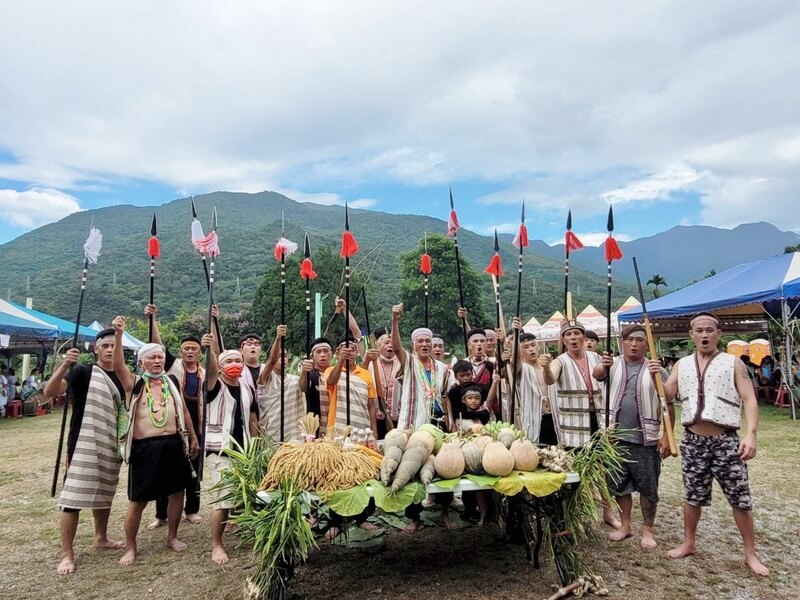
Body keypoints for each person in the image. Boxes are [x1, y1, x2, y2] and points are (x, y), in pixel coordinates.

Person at [663, 313, 769, 576]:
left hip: (725, 442)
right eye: (699, 330)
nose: (704, 335)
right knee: (692, 496)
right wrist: (656, 375)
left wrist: (751, 434)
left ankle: (750, 554)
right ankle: (688, 543)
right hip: (693, 441)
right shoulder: (681, 364)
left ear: (718, 333)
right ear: (691, 334)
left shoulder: (733, 363)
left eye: (710, 330)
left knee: (740, 498)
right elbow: (667, 394)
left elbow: (750, 400)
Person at [113, 319, 200, 566]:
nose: (157, 361)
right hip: (145, 448)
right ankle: (130, 546)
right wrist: (119, 335)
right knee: (138, 500)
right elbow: (118, 365)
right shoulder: (135, 383)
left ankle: (172, 536)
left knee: (177, 493)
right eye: (151, 358)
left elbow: (183, 411)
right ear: (141, 362)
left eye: (159, 357)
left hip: (173, 444)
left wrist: (192, 436)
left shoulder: (171, 382)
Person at [43, 328, 127, 575]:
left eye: (115, 345)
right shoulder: (83, 372)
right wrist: (64, 364)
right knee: (73, 498)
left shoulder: (124, 377)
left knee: (105, 490)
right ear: (97, 349)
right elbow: (50, 392)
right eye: (105, 346)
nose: (110, 350)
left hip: (110, 442)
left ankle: (101, 537)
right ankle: (67, 554)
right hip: (83, 441)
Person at [593, 324, 674, 549]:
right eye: (630, 340)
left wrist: (667, 436)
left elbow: (669, 401)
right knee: (620, 485)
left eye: (639, 340)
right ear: (623, 342)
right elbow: (597, 374)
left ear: (646, 344)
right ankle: (625, 525)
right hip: (615, 436)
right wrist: (603, 364)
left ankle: (647, 530)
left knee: (648, 487)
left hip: (645, 439)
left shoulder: (656, 368)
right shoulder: (613, 364)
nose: (634, 344)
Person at [541, 319, 618, 528]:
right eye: (568, 334)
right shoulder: (560, 361)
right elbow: (550, 379)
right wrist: (546, 367)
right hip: (573, 426)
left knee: (603, 468)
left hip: (597, 421)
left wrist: (606, 365)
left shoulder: (595, 357)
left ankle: (608, 512)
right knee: (576, 471)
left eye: (577, 333)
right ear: (563, 340)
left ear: (584, 337)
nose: (573, 337)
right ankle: (577, 515)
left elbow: (603, 374)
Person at [391, 303, 454, 532]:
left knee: (444, 467)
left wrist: (452, 421)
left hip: (436, 427)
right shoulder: (408, 362)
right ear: (414, 345)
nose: (425, 345)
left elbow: (448, 396)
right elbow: (396, 346)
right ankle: (414, 516)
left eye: (429, 341)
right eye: (421, 341)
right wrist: (395, 320)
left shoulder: (444, 368)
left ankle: (445, 511)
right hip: (412, 426)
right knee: (411, 471)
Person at [146, 304, 208, 529]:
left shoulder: (204, 372)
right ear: (181, 351)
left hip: (198, 426)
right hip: (174, 426)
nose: (190, 352)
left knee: (194, 471)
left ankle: (191, 510)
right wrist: (152, 320)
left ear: (199, 351)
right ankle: (160, 514)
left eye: (194, 348)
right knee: (166, 471)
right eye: (186, 349)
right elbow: (158, 345)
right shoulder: (173, 366)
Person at [204, 344, 260, 565]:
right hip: (220, 450)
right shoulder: (214, 386)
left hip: (243, 449)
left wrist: (255, 444)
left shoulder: (247, 388)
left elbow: (253, 418)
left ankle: (238, 528)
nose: (234, 365)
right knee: (223, 500)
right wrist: (210, 351)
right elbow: (208, 370)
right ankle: (216, 544)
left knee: (243, 495)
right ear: (220, 367)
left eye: (238, 361)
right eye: (228, 362)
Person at [508, 326, 560, 445]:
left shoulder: (550, 366)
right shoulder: (522, 369)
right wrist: (516, 334)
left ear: (538, 346)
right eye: (525, 347)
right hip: (534, 417)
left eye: (533, 345)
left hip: (554, 417)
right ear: (520, 351)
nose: (531, 349)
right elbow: (515, 360)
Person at [257, 325, 304, 442]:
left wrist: (306, 371)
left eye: (285, 356)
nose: (283, 359)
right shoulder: (265, 378)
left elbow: (304, 387)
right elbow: (271, 361)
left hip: (293, 435)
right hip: (271, 435)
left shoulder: (295, 380)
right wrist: (278, 338)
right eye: (279, 356)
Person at [325, 336, 378, 435]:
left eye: (353, 350)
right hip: (337, 429)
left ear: (357, 353)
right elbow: (331, 382)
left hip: (362, 430)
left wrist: (374, 432)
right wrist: (341, 360)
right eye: (345, 349)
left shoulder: (366, 375)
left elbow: (371, 407)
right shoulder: (331, 371)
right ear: (337, 352)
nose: (349, 352)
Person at [367, 327, 401, 437]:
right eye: (386, 343)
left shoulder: (402, 363)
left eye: (392, 343)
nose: (390, 345)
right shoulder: (371, 362)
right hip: (376, 418)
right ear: (378, 345)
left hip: (399, 418)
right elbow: (357, 333)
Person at [299, 337, 333, 435]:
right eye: (318, 352)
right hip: (316, 429)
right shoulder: (311, 375)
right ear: (312, 356)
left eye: (326, 351)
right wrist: (305, 371)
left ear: (332, 354)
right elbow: (303, 387)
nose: (323, 355)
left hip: (335, 428)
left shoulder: (337, 374)